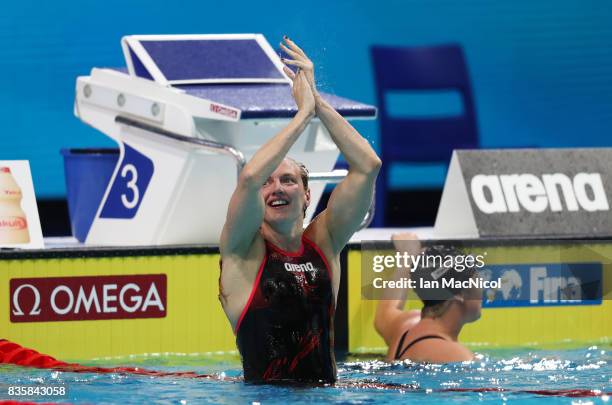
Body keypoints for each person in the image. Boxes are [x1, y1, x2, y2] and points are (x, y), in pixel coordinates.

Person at [219, 36, 381, 384]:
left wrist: (317, 101)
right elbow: (249, 176)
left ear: (308, 195)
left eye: (289, 180)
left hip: (327, 395)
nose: (276, 187)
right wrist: (302, 115)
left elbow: (368, 164)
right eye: (270, 182)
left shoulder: (324, 243)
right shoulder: (244, 251)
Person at [375, 233, 481, 363]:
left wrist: (407, 257)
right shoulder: (459, 357)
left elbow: (384, 313)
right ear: (459, 294)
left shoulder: (404, 327)